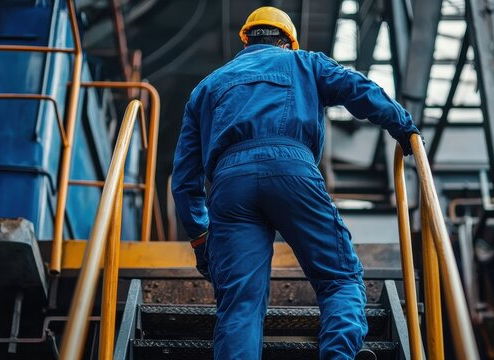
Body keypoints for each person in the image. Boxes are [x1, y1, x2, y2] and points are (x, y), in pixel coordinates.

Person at [172, 6, 419, 360]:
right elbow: (357, 88)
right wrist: (403, 127)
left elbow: (184, 175)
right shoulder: (304, 62)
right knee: (339, 279)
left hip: (230, 188)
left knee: (239, 303)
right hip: (292, 172)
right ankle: (338, 354)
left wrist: (200, 239)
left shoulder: (207, 87)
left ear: (246, 40)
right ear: (287, 41)